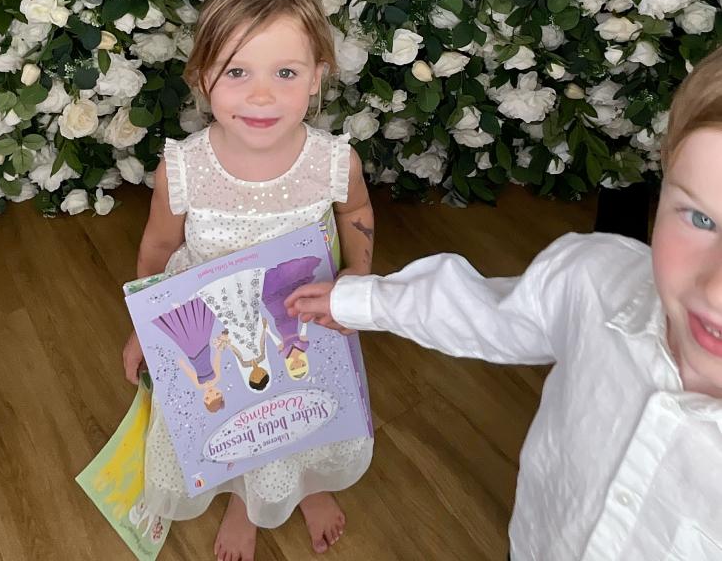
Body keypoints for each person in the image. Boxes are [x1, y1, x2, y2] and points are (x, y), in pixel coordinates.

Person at [286, 45, 722, 560]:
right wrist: (363, 301)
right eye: (701, 218)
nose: (714, 290)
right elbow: (484, 312)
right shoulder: (594, 278)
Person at [122, 0, 375, 561]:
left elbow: (357, 211)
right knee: (233, 413)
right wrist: (145, 327)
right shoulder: (182, 170)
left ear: (317, 77)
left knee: (298, 409)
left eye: (285, 72)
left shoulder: (333, 162)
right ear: (202, 76)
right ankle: (245, 501)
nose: (262, 95)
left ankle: (304, 485)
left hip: (300, 316)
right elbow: (157, 248)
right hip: (213, 330)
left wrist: (357, 277)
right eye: (237, 71)